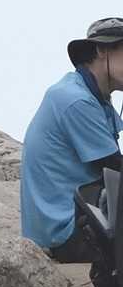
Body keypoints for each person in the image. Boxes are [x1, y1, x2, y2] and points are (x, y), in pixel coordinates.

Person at [20, 17, 123, 266]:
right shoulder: (76, 100)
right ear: (102, 50)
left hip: (81, 219)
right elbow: (114, 168)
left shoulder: (94, 98)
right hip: (67, 234)